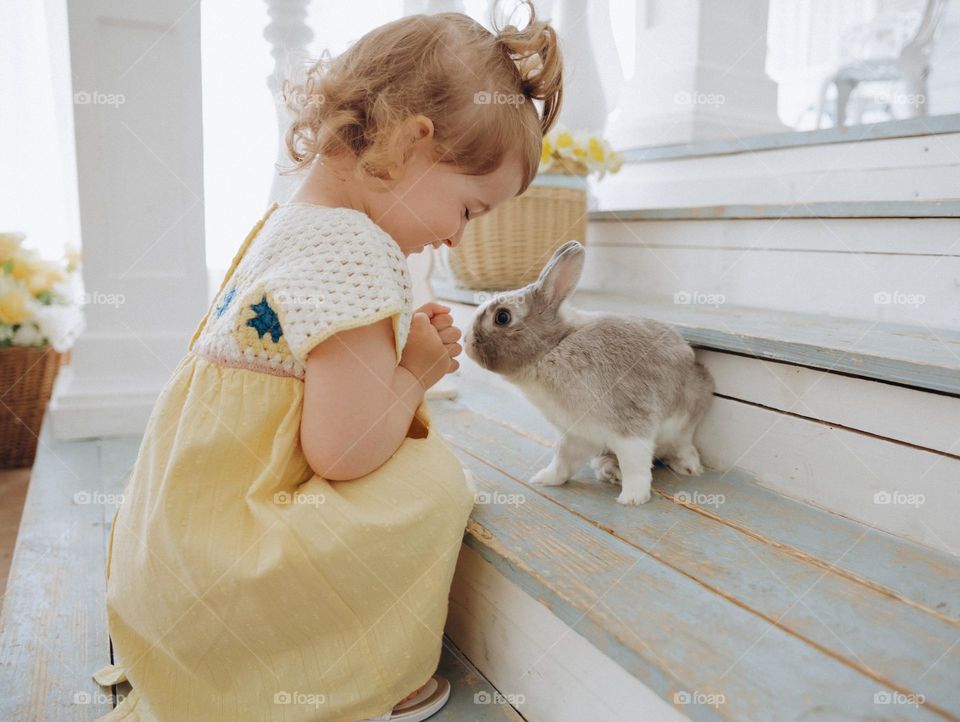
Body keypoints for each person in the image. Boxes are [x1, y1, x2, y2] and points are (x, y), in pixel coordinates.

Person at [92, 2, 562, 719]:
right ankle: (356, 671)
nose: (454, 241)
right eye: (468, 210)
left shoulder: (285, 224)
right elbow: (342, 449)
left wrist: (393, 362)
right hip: (228, 580)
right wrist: (416, 375)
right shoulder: (355, 253)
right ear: (414, 142)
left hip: (168, 567)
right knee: (433, 483)